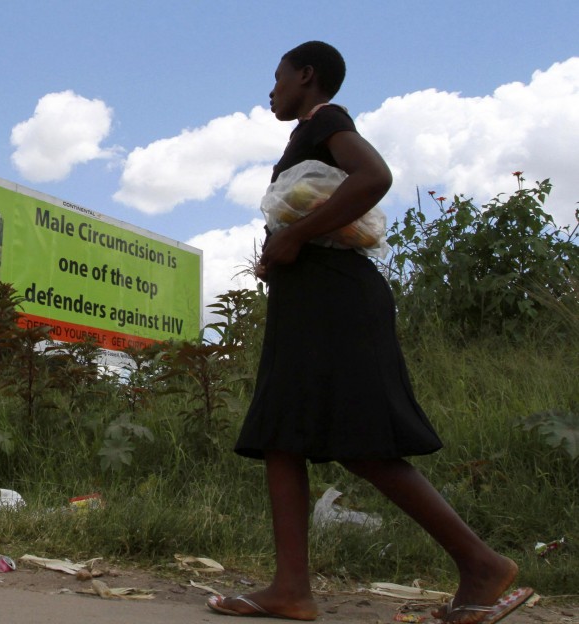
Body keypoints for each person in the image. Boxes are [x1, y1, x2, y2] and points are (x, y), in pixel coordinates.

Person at [207, 42, 530, 624]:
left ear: (307, 76)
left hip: (336, 298)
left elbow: (375, 176)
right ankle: (291, 589)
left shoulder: (326, 120)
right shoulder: (305, 136)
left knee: (361, 441)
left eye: (278, 78)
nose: (271, 90)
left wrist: (296, 236)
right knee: (280, 433)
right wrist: (283, 249)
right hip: (312, 301)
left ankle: (481, 563)